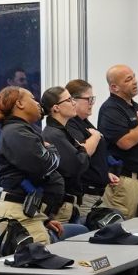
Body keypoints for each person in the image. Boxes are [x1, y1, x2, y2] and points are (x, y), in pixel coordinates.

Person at [0, 87, 65, 248]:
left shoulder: (22, 130)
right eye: (33, 99)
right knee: (38, 270)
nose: (38, 104)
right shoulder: (16, 132)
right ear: (20, 104)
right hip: (18, 215)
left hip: (27, 211)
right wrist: (52, 150)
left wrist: (45, 218)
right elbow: (42, 165)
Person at [39, 87, 102, 230]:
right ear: (56, 108)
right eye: (69, 100)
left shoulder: (62, 131)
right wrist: (83, 150)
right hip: (60, 206)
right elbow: (77, 165)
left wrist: (81, 151)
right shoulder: (53, 134)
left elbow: (80, 157)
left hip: (69, 203)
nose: (74, 103)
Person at [100, 65, 138, 217]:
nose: (135, 82)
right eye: (128, 79)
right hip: (127, 183)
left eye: (134, 76)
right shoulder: (111, 109)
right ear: (114, 87)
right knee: (128, 231)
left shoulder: (134, 106)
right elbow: (125, 142)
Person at [63, 79, 119, 221]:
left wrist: (104, 173)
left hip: (98, 193)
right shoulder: (70, 125)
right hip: (85, 194)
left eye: (92, 99)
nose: (91, 103)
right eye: (88, 99)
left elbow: (96, 157)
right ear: (73, 100)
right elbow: (82, 153)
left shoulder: (85, 123)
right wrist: (94, 137)